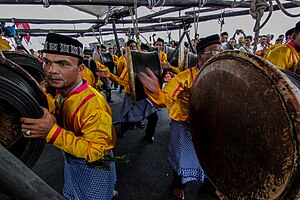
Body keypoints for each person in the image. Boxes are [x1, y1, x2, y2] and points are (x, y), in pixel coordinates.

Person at [20, 33, 117, 200]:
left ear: (80, 69)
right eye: (47, 62)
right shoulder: (62, 92)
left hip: (92, 162)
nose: (51, 70)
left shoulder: (93, 106)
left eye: (63, 64)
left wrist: (51, 132)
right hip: (73, 157)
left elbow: (95, 151)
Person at [139, 34, 223, 200]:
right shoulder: (185, 77)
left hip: (209, 126)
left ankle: (210, 187)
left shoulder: (222, 74)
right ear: (200, 57)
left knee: (212, 158)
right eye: (213, 53)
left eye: (221, 52)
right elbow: (166, 98)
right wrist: (156, 92)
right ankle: (177, 184)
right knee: (181, 157)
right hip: (184, 125)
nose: (219, 56)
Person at [97, 39, 158, 142]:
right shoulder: (128, 65)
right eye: (131, 47)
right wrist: (109, 75)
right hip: (132, 96)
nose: (133, 49)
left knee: (154, 118)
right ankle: (123, 131)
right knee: (127, 120)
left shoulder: (149, 65)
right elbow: (121, 80)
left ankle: (149, 135)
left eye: (135, 47)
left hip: (144, 96)